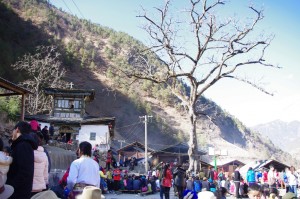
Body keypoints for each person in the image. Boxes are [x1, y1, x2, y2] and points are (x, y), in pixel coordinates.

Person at [7, 121, 38, 199]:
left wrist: (11, 185)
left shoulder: (23, 145)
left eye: (13, 130)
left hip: (18, 192)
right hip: (20, 190)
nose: (12, 133)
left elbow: (24, 171)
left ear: (17, 130)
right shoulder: (22, 144)